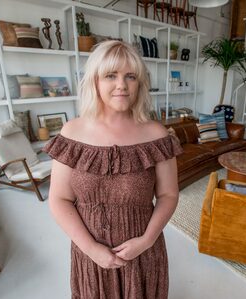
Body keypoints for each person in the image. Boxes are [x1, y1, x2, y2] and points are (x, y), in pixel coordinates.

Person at [43, 40, 182, 299]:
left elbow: (168, 195)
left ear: (139, 83)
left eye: (130, 76)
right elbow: (59, 199)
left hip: (142, 253)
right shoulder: (72, 132)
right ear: (95, 81)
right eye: (110, 75)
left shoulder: (156, 134)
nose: (122, 85)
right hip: (90, 255)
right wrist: (92, 249)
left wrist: (147, 240)